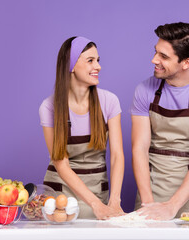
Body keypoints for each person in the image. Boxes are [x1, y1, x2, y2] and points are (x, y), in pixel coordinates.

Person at [130, 22, 189, 220]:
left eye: (164, 56)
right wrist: (148, 204)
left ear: (186, 63)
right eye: (156, 52)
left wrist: (172, 207)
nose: (154, 59)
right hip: (151, 193)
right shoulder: (144, 90)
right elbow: (139, 148)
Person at [39, 36, 125, 219]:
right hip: (60, 197)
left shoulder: (109, 101)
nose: (98, 66)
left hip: (98, 193)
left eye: (98, 60)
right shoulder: (49, 107)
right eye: (90, 61)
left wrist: (114, 200)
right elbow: (61, 163)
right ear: (71, 66)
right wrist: (95, 204)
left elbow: (117, 155)